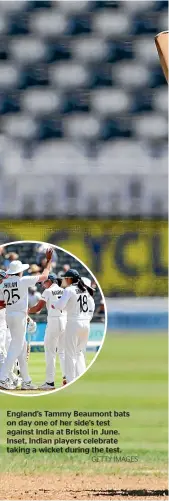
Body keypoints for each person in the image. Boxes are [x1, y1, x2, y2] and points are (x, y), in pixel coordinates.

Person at [0, 248, 53, 391]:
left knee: (22, 348)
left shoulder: (3, 284)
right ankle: (2, 377)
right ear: (19, 271)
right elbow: (44, 276)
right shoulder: (22, 280)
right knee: (16, 346)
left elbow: (1, 303)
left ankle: (26, 381)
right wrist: (48, 261)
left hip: (9, 315)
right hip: (19, 316)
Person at [51, 269, 95, 383]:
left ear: (69, 279)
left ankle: (70, 380)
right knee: (79, 352)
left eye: (65, 278)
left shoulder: (69, 290)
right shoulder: (85, 289)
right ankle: (81, 378)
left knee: (69, 354)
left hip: (74, 322)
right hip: (86, 323)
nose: (64, 280)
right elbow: (89, 305)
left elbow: (60, 305)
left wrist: (54, 305)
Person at [28, 273, 66, 390]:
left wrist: (26, 311)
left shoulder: (48, 291)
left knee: (50, 352)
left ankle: (49, 383)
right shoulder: (65, 291)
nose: (43, 285)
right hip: (65, 320)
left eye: (44, 282)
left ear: (49, 281)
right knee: (63, 352)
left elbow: (38, 308)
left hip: (54, 321)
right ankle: (67, 378)